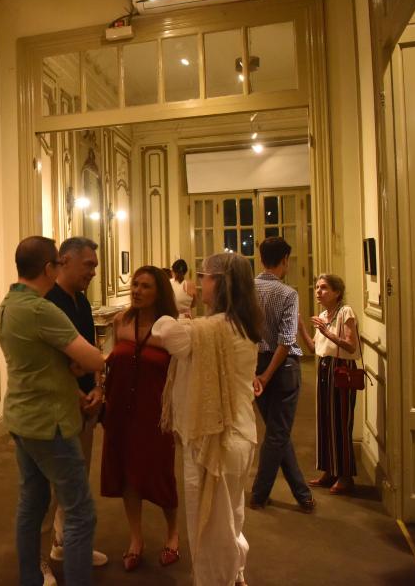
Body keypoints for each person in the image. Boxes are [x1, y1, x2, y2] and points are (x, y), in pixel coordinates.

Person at [0, 236, 106, 586]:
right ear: (49, 268)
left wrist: (69, 366)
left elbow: (44, 359)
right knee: (80, 512)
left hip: (22, 417)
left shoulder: (8, 304)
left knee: (32, 502)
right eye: (57, 264)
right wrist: (82, 363)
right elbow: (93, 358)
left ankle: (30, 577)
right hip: (50, 422)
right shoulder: (41, 309)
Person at [155, 253, 264, 586]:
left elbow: (164, 331)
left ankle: (219, 580)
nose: (200, 282)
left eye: (205, 276)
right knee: (231, 515)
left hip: (213, 439)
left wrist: (171, 303)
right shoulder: (244, 324)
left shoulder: (208, 329)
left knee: (209, 528)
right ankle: (237, 573)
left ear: (220, 283)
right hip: (242, 432)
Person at [100, 265, 180, 572]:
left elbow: (181, 373)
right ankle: (136, 538)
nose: (137, 291)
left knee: (160, 475)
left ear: (159, 291)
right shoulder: (122, 320)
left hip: (156, 414)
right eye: (135, 285)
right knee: (127, 475)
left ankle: (172, 534)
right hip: (120, 411)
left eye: (145, 286)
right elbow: (109, 360)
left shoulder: (170, 326)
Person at [43, 237, 108, 570]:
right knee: (56, 486)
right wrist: (79, 394)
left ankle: (64, 544)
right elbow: (51, 365)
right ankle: (45, 560)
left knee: (78, 481)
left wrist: (97, 387)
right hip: (61, 409)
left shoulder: (81, 301)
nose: (94, 272)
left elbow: (92, 347)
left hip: (86, 405)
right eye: (89, 265)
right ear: (65, 260)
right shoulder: (47, 303)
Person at [249, 237, 315, 512]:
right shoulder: (288, 293)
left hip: (255, 364)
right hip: (283, 368)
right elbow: (286, 341)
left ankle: (302, 493)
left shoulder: (248, 289)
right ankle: (259, 493)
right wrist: (267, 375)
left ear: (262, 258)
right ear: (285, 259)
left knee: (279, 431)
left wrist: (258, 373)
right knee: (278, 433)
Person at [298, 274, 361, 495]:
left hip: (342, 368)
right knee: (325, 420)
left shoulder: (346, 312)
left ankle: (345, 475)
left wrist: (328, 331)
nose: (318, 292)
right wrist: (301, 328)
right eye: (317, 288)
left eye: (324, 288)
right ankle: (329, 470)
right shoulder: (325, 315)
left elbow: (351, 346)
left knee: (341, 422)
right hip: (325, 366)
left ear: (337, 292)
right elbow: (314, 346)